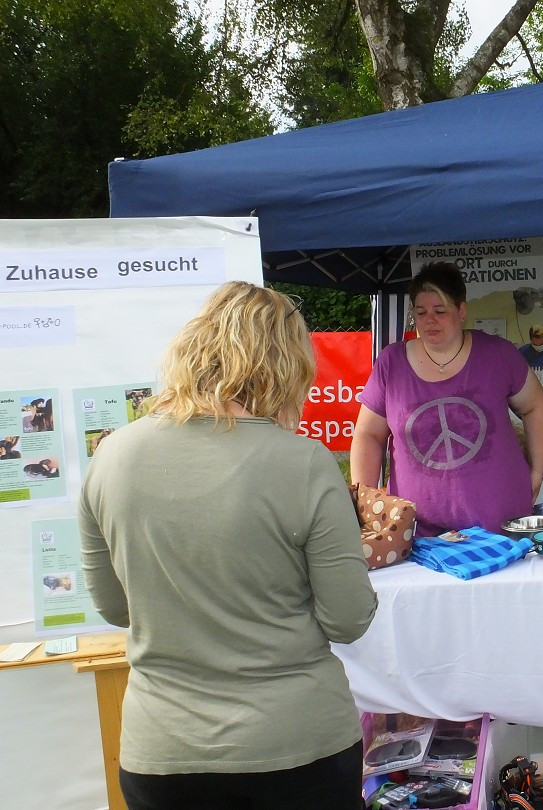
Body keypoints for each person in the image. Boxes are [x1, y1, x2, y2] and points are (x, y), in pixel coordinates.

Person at [79, 282, 378, 810]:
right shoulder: (303, 462)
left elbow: (115, 607)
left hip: (164, 750)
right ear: (286, 365)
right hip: (294, 742)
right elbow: (348, 619)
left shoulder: (111, 456)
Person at [350, 262, 543, 537]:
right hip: (415, 530)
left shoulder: (498, 355)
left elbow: (534, 406)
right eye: (421, 312)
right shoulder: (391, 363)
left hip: (500, 525)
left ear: (461, 310)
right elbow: (368, 435)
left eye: (439, 311)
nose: (429, 320)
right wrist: (366, 503)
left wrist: (537, 470)